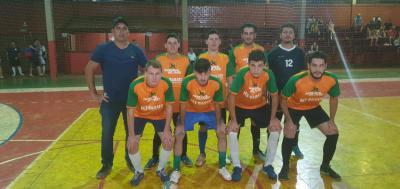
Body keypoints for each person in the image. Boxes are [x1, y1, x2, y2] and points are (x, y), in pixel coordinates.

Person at [85, 16, 147, 179]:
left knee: (131, 133)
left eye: (124, 28)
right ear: (113, 31)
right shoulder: (103, 49)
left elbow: (147, 70)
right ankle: (106, 165)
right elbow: (89, 68)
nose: (121, 31)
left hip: (131, 102)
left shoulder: (136, 50)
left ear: (128, 32)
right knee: (107, 134)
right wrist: (94, 94)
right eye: (118, 28)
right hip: (109, 101)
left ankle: (130, 160)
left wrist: (143, 92)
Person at [278, 51, 341, 180]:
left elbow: (334, 98)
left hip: (313, 107)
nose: (318, 69)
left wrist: (332, 120)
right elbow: (283, 98)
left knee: (333, 132)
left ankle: (325, 166)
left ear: (326, 66)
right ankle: (284, 167)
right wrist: (289, 120)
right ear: (308, 66)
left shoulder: (332, 79)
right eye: (314, 65)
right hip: (294, 107)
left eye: (321, 65)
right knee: (290, 132)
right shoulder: (296, 79)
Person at [169, 58, 231, 185]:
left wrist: (219, 122)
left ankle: (222, 166)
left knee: (221, 132)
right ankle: (176, 170)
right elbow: (183, 104)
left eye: (206, 73)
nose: (203, 77)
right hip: (191, 111)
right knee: (179, 134)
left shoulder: (216, 83)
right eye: (199, 74)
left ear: (210, 71)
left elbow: (218, 105)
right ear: (194, 72)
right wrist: (180, 123)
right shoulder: (187, 81)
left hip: (209, 111)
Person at [228, 50, 280, 181]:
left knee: (275, 129)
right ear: (248, 64)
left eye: (260, 66)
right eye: (253, 65)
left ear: (264, 65)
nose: (256, 70)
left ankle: (268, 165)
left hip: (259, 105)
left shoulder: (269, 74)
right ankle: (236, 166)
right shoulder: (242, 73)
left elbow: (274, 96)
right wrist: (233, 120)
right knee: (232, 131)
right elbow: (231, 96)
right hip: (240, 106)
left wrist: (273, 119)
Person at [144, 33, 193, 170]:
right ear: (165, 45)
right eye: (169, 43)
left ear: (178, 45)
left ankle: (183, 155)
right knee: (159, 132)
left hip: (180, 104)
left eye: (175, 43)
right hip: (163, 106)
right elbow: (151, 79)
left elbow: (190, 82)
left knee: (181, 131)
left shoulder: (186, 60)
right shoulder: (159, 59)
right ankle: (154, 157)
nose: (172, 45)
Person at [126, 60, 174, 186]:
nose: (154, 77)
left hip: (159, 115)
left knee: (168, 141)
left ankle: (161, 169)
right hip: (139, 115)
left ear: (161, 74)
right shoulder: (135, 85)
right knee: (131, 145)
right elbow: (130, 111)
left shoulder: (166, 84)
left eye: (157, 74)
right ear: (145, 73)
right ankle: (139, 171)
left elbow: (169, 107)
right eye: (151, 73)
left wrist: (167, 130)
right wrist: (131, 135)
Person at [196, 29, 234, 167]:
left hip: (221, 102)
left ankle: (222, 156)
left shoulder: (225, 58)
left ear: (220, 42)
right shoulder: (201, 57)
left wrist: (229, 100)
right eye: (210, 39)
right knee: (203, 128)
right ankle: (202, 153)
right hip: (205, 103)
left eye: (216, 39)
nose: (213, 41)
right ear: (206, 41)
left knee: (221, 130)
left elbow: (230, 80)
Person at [268, 23, 306, 159]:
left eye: (290, 32)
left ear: (294, 35)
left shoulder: (300, 53)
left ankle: (294, 145)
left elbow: (303, 74)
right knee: (274, 122)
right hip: (277, 96)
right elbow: (269, 74)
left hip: (294, 97)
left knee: (294, 123)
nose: (287, 34)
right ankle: (271, 147)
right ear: (280, 35)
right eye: (285, 32)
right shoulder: (273, 53)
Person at [229, 23, 266, 161]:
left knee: (256, 125)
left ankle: (256, 151)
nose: (248, 36)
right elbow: (231, 75)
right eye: (246, 33)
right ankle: (233, 154)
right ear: (242, 35)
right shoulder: (235, 51)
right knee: (235, 126)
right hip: (240, 98)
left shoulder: (261, 49)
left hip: (256, 96)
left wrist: (263, 94)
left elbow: (265, 73)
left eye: (251, 33)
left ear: (255, 35)